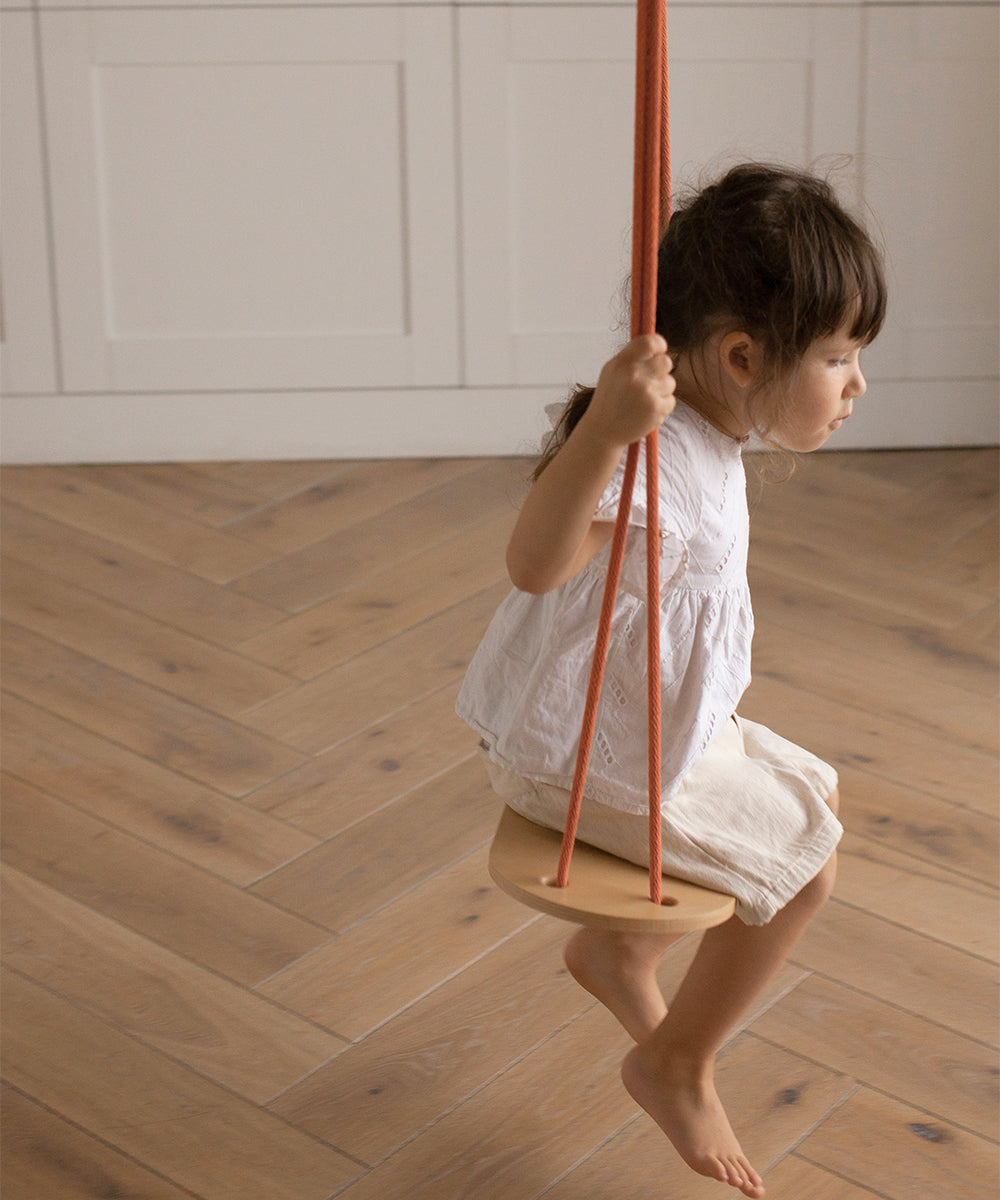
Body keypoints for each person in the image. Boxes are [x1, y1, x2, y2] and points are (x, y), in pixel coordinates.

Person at [456, 163, 887, 1197]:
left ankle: (616, 960)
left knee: (817, 793)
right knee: (808, 866)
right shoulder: (646, 452)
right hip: (580, 766)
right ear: (742, 356)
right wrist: (604, 431)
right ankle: (674, 1060)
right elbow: (533, 566)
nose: (856, 385)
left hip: (643, 733)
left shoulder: (706, 436)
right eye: (837, 357)